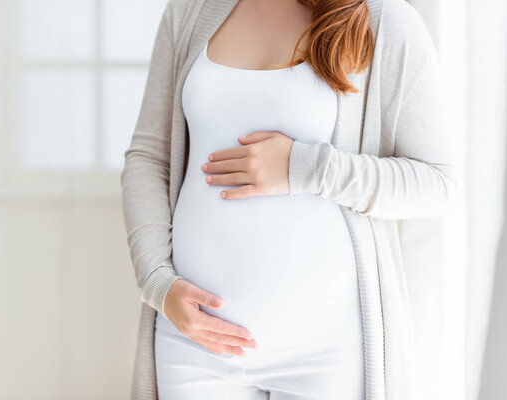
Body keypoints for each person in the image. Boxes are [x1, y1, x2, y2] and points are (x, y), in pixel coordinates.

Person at [120, 0, 458, 399]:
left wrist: (304, 167)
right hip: (195, 345)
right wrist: (157, 281)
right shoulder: (192, 10)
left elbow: (438, 184)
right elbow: (148, 157)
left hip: (329, 350)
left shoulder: (386, 21)